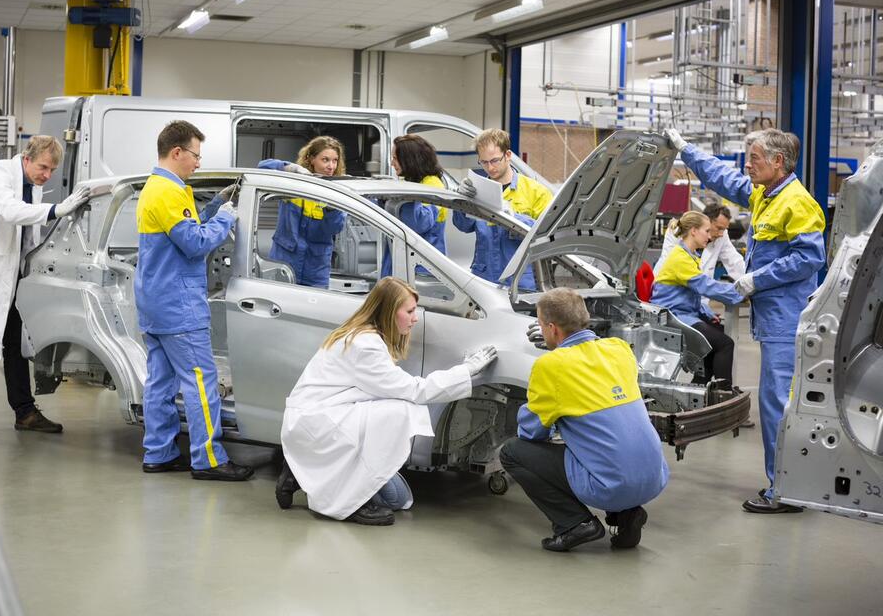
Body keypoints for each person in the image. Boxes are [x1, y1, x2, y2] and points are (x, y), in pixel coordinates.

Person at [666, 127, 825, 513]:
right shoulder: (765, 194)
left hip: (786, 318)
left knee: (777, 403)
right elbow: (723, 177)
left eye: (754, 158)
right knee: (776, 400)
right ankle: (789, 482)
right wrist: (687, 150)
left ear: (778, 162)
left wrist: (757, 278)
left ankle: (785, 490)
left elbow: (810, 257)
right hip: (773, 316)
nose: (748, 164)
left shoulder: (797, 203)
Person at [276, 277, 498, 526]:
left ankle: (300, 472)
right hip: (318, 426)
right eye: (410, 311)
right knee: (403, 410)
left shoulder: (363, 335)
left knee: (399, 499)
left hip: (322, 420)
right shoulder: (365, 345)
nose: (416, 318)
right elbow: (415, 391)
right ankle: (349, 504)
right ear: (389, 311)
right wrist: (466, 369)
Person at [0, 135, 93, 436]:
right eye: (43, 167)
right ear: (26, 158)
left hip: (9, 277)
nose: (46, 175)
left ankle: (24, 411)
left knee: (15, 344)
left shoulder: (31, 187)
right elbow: (8, 212)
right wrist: (55, 210)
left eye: (51, 171)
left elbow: (27, 235)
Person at [500, 287, 669, 552]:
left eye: (541, 325)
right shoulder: (619, 349)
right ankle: (626, 515)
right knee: (604, 441)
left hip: (611, 485)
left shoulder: (551, 366)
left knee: (513, 452)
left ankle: (574, 523)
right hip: (654, 476)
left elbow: (532, 433)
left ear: (553, 329)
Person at [135, 120, 252, 481]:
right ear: (177, 153)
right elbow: (197, 243)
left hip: (155, 300)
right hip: (178, 306)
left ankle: (160, 453)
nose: (198, 163)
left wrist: (216, 204)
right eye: (196, 156)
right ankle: (209, 460)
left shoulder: (157, 188)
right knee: (201, 381)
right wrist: (227, 217)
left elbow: (181, 231)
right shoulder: (169, 192)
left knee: (160, 382)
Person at [650, 211, 744, 389]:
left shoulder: (689, 256)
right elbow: (705, 286)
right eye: (707, 231)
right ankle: (724, 393)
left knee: (714, 340)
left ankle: (700, 387)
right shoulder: (679, 258)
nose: (710, 236)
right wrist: (741, 291)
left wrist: (705, 312)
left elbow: (691, 295)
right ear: (693, 231)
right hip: (673, 317)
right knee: (724, 344)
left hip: (683, 313)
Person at [453, 128, 552, 290]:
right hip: (484, 278)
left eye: (495, 160)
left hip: (520, 280)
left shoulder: (537, 192)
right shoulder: (477, 189)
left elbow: (546, 235)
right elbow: (463, 226)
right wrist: (462, 201)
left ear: (508, 155)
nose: (490, 168)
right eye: (484, 162)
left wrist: (515, 219)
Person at [258, 136, 347, 288]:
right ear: (311, 159)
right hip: (284, 261)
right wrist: (289, 169)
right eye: (325, 160)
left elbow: (335, 228)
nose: (331, 166)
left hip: (316, 268)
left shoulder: (338, 189)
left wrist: (332, 207)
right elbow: (262, 167)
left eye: (335, 160)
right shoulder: (293, 181)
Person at [382, 134, 448, 275]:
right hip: (402, 263)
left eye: (395, 158)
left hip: (421, 269)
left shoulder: (432, 184)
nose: (392, 163)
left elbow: (420, 222)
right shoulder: (412, 183)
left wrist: (403, 196)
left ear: (409, 159)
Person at [653, 202, 746, 282]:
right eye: (719, 228)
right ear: (707, 221)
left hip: (698, 297)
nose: (721, 234)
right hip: (670, 291)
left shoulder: (722, 235)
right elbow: (673, 267)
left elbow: (734, 261)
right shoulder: (678, 232)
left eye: (724, 229)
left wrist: (749, 280)